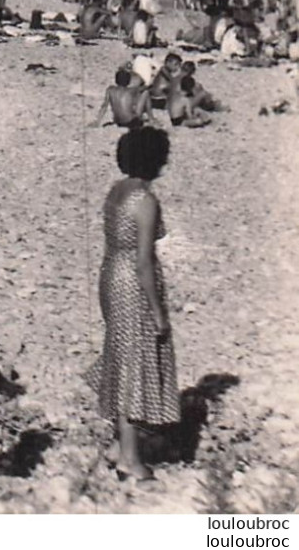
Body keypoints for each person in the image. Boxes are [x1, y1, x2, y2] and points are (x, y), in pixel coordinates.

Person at [86, 127, 179, 481]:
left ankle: (119, 445)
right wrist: (158, 312)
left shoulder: (117, 190)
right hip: (133, 282)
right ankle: (129, 459)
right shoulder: (146, 199)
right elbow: (144, 260)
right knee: (134, 364)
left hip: (110, 273)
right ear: (154, 159)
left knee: (121, 356)